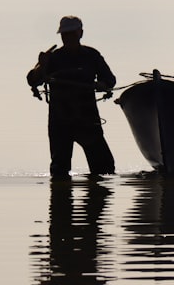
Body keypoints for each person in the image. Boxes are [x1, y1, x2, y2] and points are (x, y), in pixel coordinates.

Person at [27, 15, 116, 180]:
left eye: (71, 33)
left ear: (80, 33)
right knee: (59, 170)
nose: (67, 37)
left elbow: (110, 79)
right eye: (64, 34)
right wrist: (41, 66)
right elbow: (32, 80)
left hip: (87, 119)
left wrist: (103, 84)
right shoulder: (53, 58)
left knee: (105, 168)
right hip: (60, 120)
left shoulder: (92, 55)